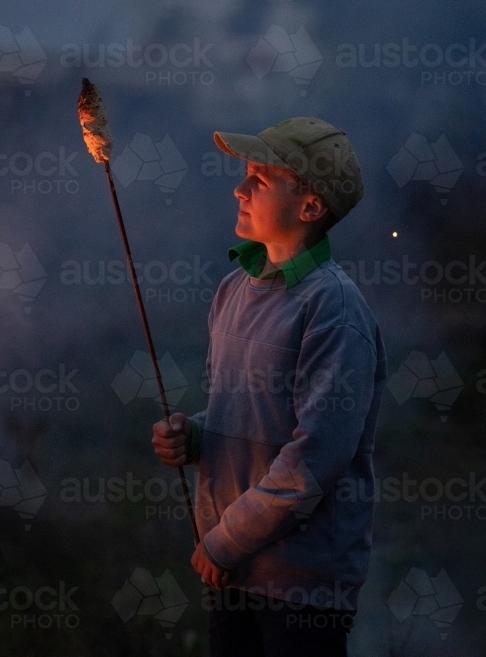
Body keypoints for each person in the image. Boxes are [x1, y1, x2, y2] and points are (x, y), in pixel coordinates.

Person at [151, 117, 387, 657]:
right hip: (232, 574)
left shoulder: (334, 309)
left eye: (260, 178)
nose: (240, 189)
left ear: (310, 207)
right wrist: (197, 437)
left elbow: (316, 456)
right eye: (244, 175)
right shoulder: (234, 289)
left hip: (299, 587)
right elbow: (254, 414)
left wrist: (228, 541)